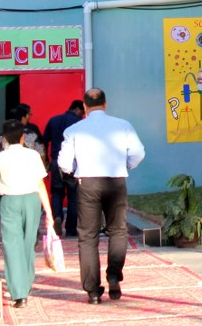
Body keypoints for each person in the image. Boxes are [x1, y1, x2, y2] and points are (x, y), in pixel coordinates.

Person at [58, 88, 145, 305]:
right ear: (105, 104)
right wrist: (125, 165)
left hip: (87, 183)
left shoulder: (73, 130)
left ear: (84, 107)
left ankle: (93, 291)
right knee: (118, 230)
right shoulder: (123, 125)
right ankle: (114, 274)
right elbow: (138, 153)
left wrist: (75, 170)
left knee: (88, 237)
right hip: (116, 181)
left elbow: (64, 163)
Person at [0, 120, 56, 309]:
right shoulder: (33, 155)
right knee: (28, 244)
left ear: (4, 138)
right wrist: (49, 213)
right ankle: (26, 285)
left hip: (10, 202)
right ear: (23, 137)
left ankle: (19, 294)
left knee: (12, 246)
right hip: (31, 201)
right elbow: (40, 186)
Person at [45, 100, 85, 237]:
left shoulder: (53, 120)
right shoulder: (78, 123)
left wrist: (47, 160)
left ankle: (57, 217)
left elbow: (45, 141)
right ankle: (71, 229)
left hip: (56, 162)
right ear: (78, 109)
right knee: (73, 196)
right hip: (73, 164)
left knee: (57, 193)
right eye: (82, 113)